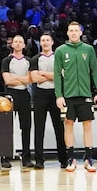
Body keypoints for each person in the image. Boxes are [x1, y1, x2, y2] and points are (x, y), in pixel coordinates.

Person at [54, 23, 97, 172]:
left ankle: (89, 158)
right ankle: (71, 158)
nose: (74, 33)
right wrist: (59, 95)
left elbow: (94, 72)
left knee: (87, 125)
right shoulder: (60, 51)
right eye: (71, 31)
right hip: (68, 95)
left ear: (80, 33)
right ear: (67, 33)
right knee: (68, 124)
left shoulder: (88, 50)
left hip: (85, 94)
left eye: (76, 31)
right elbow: (57, 75)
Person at [30, 32, 66, 169]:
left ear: (52, 42)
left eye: (47, 40)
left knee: (59, 128)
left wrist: (43, 73)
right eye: (42, 40)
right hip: (40, 95)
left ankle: (63, 159)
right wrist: (52, 75)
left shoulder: (58, 57)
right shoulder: (35, 59)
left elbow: (61, 76)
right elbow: (34, 78)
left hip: (56, 95)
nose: (45, 42)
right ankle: (39, 160)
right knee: (39, 128)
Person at [1, 34, 33, 168]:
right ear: (12, 44)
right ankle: (5, 156)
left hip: (24, 94)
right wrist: (23, 78)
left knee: (26, 126)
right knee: (8, 127)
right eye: (16, 42)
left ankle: (26, 157)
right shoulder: (7, 60)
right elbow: (7, 80)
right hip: (11, 93)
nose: (18, 44)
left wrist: (16, 78)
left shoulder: (29, 61)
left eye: (21, 42)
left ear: (24, 45)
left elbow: (30, 79)